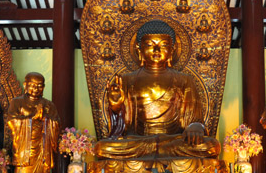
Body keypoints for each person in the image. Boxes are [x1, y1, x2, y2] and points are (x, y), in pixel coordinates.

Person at [94, 20, 220, 163]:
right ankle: (161, 156)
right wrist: (116, 106)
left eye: (163, 45)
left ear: (172, 50)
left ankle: (154, 156)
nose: (156, 50)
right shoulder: (126, 80)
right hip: (139, 141)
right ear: (138, 49)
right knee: (101, 148)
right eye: (149, 45)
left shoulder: (185, 80)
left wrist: (196, 127)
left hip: (173, 140)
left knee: (211, 146)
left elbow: (194, 120)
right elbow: (121, 129)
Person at [7, 72, 60, 173]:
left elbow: (57, 123)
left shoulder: (48, 104)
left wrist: (46, 119)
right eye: (32, 85)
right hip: (25, 143)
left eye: (39, 86)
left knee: (44, 165)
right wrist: (32, 119)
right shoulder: (17, 102)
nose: (36, 89)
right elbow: (11, 121)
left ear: (44, 87)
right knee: (24, 166)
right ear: (25, 85)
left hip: (42, 142)